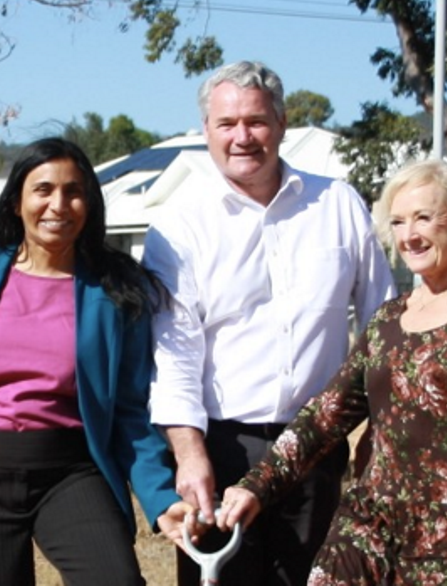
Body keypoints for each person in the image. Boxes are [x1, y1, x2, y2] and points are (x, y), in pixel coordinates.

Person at [188, 159, 447, 586]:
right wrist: (256, 486)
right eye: (398, 222)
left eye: (423, 218)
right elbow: (326, 415)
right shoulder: (391, 318)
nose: (409, 235)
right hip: (369, 521)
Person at [144, 60, 397, 586]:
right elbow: (175, 352)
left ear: (281, 124)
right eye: (226, 124)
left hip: (316, 448)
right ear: (206, 132)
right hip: (222, 449)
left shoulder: (339, 205)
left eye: (256, 121)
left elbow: (383, 324)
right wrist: (189, 456)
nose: (242, 137)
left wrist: (383, 429)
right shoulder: (178, 224)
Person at [0, 138, 188, 586]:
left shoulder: (116, 287)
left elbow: (130, 409)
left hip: (71, 472)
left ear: (89, 203)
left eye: (74, 191)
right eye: (43, 189)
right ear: (17, 201)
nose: (59, 204)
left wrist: (160, 496)